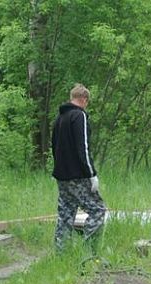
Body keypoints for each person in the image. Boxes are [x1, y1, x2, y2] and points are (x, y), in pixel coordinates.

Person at [51, 83, 107, 251]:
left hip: (62, 177)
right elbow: (83, 147)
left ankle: (61, 254)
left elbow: (54, 148)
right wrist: (92, 174)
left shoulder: (59, 119)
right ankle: (89, 253)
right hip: (78, 177)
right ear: (84, 100)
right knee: (97, 210)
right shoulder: (79, 116)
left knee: (65, 215)